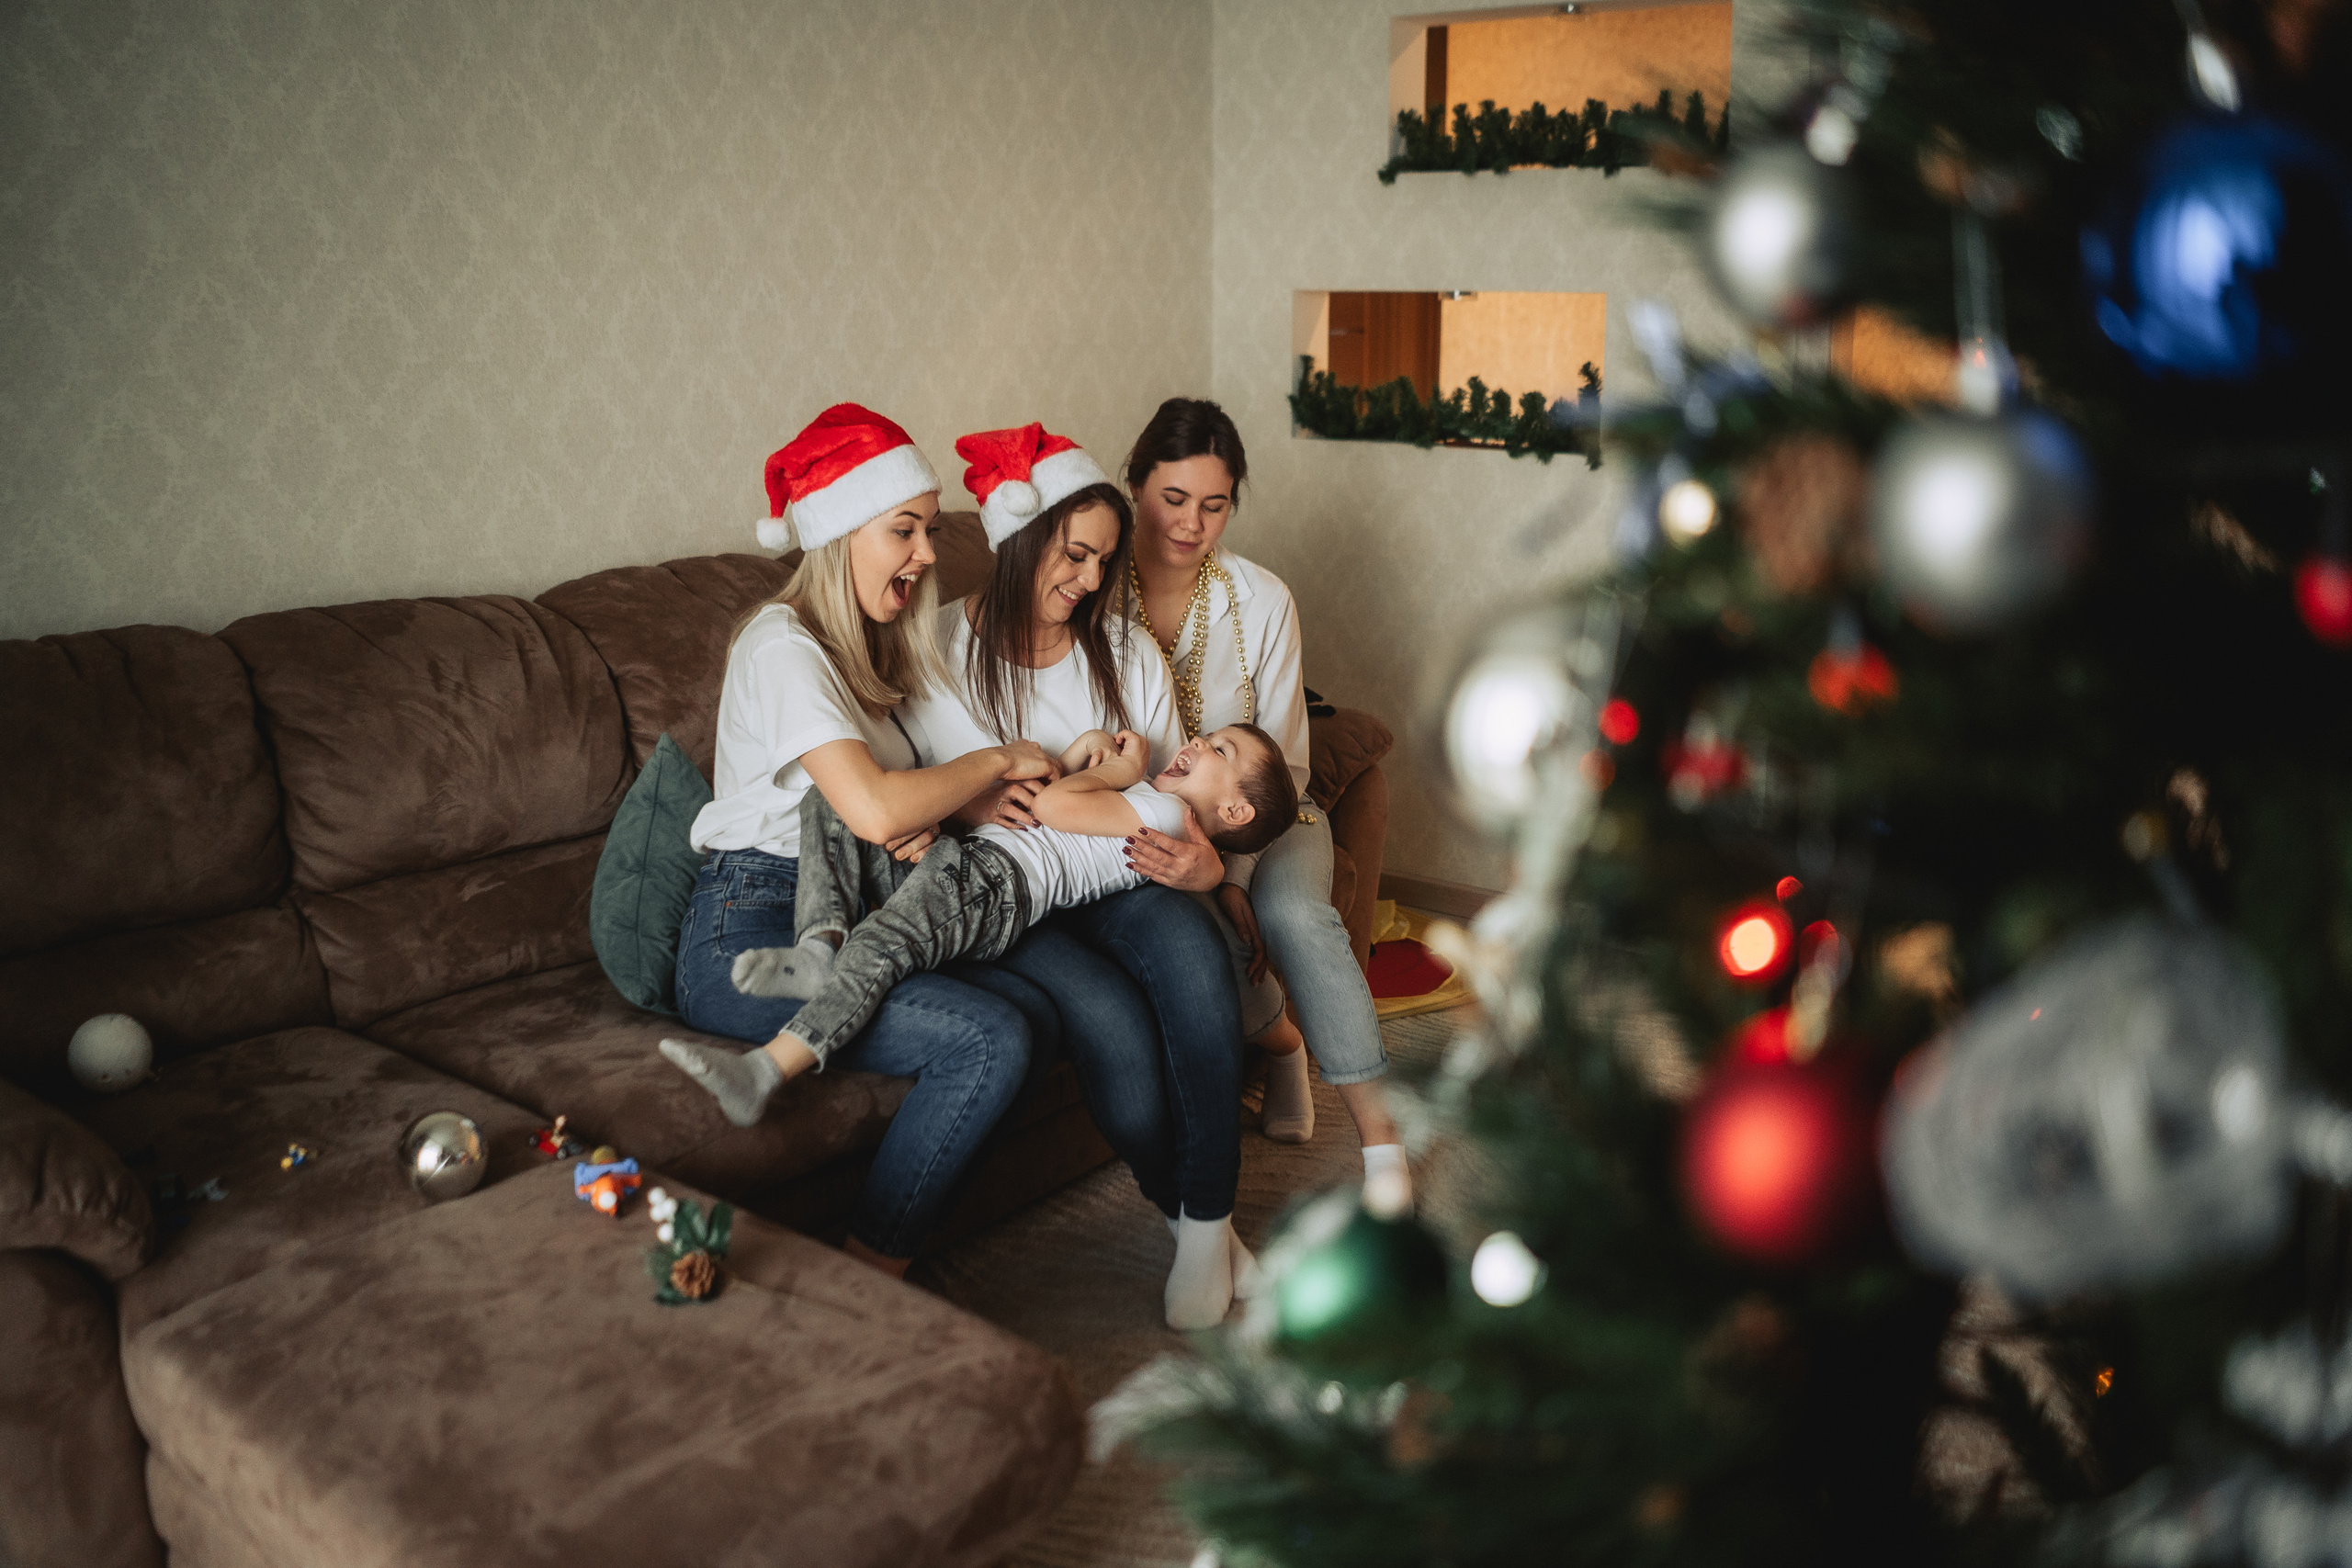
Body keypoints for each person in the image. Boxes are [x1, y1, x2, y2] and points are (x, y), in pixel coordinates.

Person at [658, 402, 1059, 1281]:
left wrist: (959, 810)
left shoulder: (864, 650)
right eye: (904, 530)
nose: (927, 552)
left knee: (1031, 1004)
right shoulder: (782, 645)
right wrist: (992, 766)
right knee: (989, 1036)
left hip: (850, 898)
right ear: (842, 534)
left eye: (927, 529)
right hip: (746, 923)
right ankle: (871, 1277)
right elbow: (874, 808)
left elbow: (886, 812)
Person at [897, 420, 1270, 1328]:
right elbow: (941, 795)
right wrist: (971, 803)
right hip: (1016, 904)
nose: (1090, 581)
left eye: (1104, 561)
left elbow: (1182, 785)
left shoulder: (1126, 650)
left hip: (1128, 870)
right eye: (1074, 555)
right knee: (1119, 1046)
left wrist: (1207, 866)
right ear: (1019, 540)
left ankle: (1207, 1223)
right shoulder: (937, 651)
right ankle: (1198, 1226)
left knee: (1200, 972)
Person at [1120, 397, 1412, 1213]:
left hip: (1272, 821)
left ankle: (1384, 1145)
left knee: (1290, 913)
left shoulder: (1262, 600)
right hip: (1153, 816)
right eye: (1173, 499)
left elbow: (1280, 763)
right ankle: (1281, 1040)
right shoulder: (1095, 593)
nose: (1191, 523)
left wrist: (1235, 872)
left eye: (1214, 505)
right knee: (1180, 915)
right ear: (1136, 484)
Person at [718, 722, 1295, 1085]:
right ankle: (820, 943)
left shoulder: (1168, 817)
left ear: (1236, 812)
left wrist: (1121, 769)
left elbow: (1053, 813)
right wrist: (1077, 756)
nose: (1195, 741)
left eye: (1219, 748)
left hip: (996, 889)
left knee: (883, 944)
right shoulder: (1150, 806)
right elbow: (1046, 803)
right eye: (1205, 735)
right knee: (831, 801)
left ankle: (774, 1065)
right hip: (967, 863)